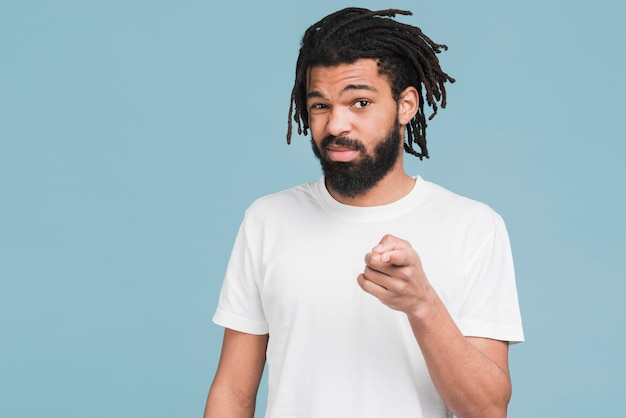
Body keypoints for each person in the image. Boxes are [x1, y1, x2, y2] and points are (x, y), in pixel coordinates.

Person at [204, 7, 524, 418]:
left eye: (360, 102)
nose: (337, 124)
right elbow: (232, 393)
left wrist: (422, 304)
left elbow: (487, 409)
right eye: (320, 105)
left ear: (405, 104)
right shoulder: (268, 219)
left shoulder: (474, 227)